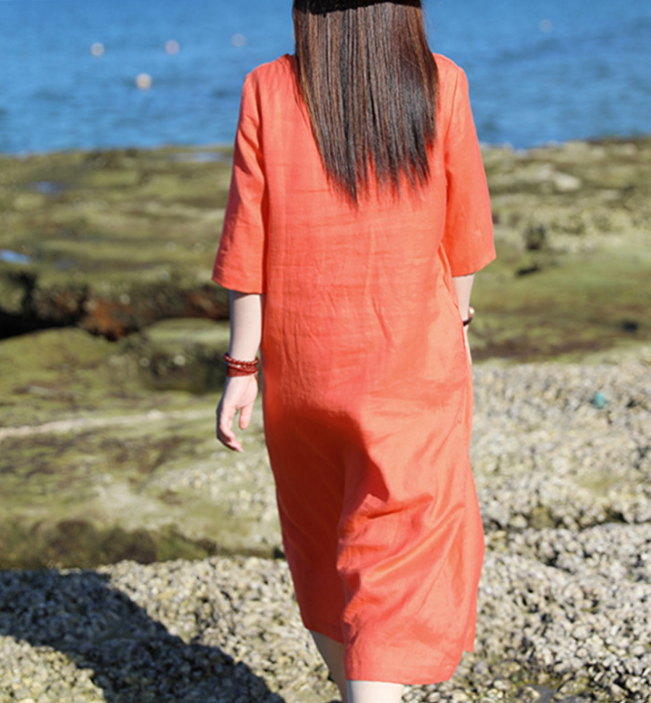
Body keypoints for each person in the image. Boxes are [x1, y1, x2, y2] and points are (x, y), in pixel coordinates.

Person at [213, 1, 495, 701]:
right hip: (410, 370)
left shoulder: (266, 88)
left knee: (320, 547)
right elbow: (465, 233)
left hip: (303, 372)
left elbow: (247, 243)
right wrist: (458, 326)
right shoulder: (442, 83)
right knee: (397, 555)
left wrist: (241, 370)